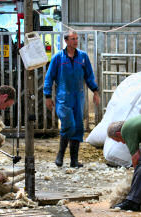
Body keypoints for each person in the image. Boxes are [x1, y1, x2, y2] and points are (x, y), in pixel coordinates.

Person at [43, 30, 100, 168]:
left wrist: (95, 91)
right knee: (69, 125)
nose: (75, 41)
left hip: (78, 97)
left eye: (76, 39)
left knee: (78, 128)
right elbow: (49, 77)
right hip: (64, 97)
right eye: (73, 39)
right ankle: (60, 155)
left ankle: (74, 161)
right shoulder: (58, 58)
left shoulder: (83, 57)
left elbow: (89, 76)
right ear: (66, 41)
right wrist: (47, 96)